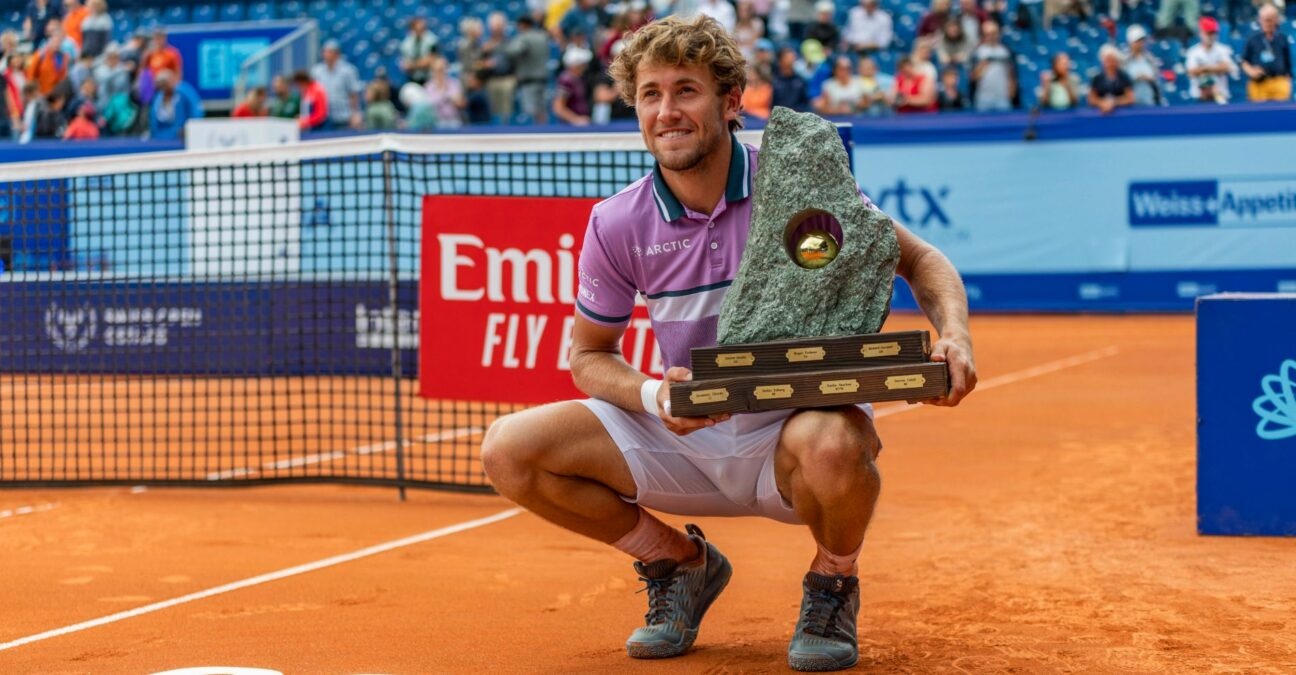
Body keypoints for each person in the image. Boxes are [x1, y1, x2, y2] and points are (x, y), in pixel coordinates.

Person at [481, 14, 976, 673]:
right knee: (508, 451)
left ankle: (833, 581)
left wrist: (955, 337)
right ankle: (678, 562)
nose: (667, 111)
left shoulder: (798, 181)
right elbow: (588, 357)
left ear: (731, 101)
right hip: (683, 436)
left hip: (793, 437)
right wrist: (656, 393)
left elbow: (919, 259)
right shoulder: (617, 221)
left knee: (833, 446)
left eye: (686, 89)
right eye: (650, 94)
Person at [1240, 4, 1291, 103]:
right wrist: (1251, 71)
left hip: (1279, 81)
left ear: (1276, 20)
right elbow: (1244, 61)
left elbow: (1287, 61)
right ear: (1260, 20)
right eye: (1265, 20)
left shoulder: (1282, 38)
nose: (1268, 23)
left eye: (1270, 20)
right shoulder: (1252, 39)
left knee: (1281, 113)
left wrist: (1287, 79)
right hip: (1259, 83)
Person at [507, 14, 552, 124]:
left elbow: (512, 51)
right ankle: (544, 136)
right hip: (543, 78)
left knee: (530, 113)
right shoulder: (542, 37)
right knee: (542, 112)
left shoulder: (524, 37)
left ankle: (534, 139)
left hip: (529, 80)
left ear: (523, 25)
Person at [309, 39, 363, 129]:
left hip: (344, 117)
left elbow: (353, 94)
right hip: (323, 118)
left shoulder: (348, 71)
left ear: (337, 54)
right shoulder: (316, 71)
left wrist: (355, 114)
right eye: (325, 52)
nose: (326, 55)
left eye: (330, 52)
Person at [1185, 16, 1238, 103]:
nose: (1211, 36)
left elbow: (1227, 67)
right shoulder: (1193, 52)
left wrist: (1203, 68)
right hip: (1199, 97)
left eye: (1213, 33)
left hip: (1219, 96)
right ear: (1201, 33)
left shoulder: (1223, 49)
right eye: (1208, 33)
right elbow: (1191, 72)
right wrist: (1216, 67)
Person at [969, 19, 1015, 111]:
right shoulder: (977, 52)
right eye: (987, 34)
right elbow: (972, 77)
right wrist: (981, 66)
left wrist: (1012, 90)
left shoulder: (1005, 52)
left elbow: (1011, 73)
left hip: (1002, 97)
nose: (991, 36)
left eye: (993, 33)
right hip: (983, 98)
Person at [148, 68, 202, 140]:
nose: (163, 87)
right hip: (161, 137)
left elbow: (196, 111)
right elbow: (153, 120)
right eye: (160, 84)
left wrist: (189, 129)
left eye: (165, 83)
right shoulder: (158, 98)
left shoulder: (184, 92)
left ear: (172, 81)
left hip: (183, 137)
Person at [1122, 24, 1162, 106]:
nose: (1141, 43)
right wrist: (1136, 78)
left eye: (1142, 40)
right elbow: (1121, 81)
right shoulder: (1124, 60)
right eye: (1137, 41)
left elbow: (1157, 79)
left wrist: (1149, 79)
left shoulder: (1151, 59)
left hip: (1149, 101)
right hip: (1130, 103)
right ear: (1131, 43)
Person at [1088, 44, 1135, 113]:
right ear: (1102, 61)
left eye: (1112, 60)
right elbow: (1091, 99)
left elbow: (1130, 98)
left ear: (1116, 61)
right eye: (1107, 60)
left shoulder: (1124, 77)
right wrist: (1102, 103)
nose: (1110, 64)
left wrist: (1114, 102)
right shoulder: (1097, 78)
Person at [553, 45, 593, 125]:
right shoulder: (566, 80)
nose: (585, 67)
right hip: (570, 127)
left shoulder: (578, 79)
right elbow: (558, 107)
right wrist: (576, 120)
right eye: (582, 64)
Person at [423, 54, 465, 128]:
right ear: (433, 71)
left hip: (454, 120)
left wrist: (453, 98)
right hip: (436, 121)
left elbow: (459, 103)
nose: (440, 72)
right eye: (437, 70)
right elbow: (429, 105)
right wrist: (444, 94)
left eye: (442, 69)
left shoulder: (455, 83)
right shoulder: (429, 86)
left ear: (446, 69)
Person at [399, 17, 438, 86]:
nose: (421, 32)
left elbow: (430, 61)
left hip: (430, 78)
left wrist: (413, 65)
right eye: (418, 29)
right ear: (412, 30)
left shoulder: (432, 40)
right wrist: (420, 63)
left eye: (423, 29)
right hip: (413, 79)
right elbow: (406, 66)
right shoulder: (406, 44)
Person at [771, 44, 811, 110]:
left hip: (797, 116)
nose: (791, 60)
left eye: (793, 57)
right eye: (787, 58)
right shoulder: (772, 80)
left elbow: (805, 102)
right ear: (779, 60)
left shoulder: (801, 80)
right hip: (777, 117)